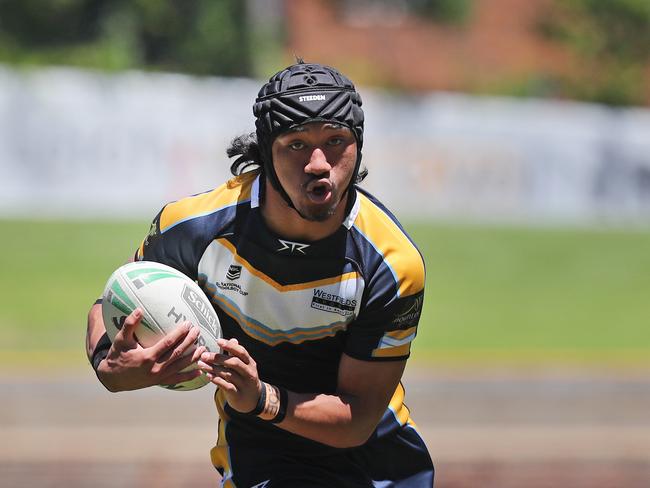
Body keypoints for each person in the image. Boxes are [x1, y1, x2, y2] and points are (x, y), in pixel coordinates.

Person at [86, 61, 434, 487]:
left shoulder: (391, 264)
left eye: (336, 141)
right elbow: (113, 301)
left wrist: (261, 398)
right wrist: (109, 363)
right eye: (296, 145)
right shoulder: (194, 229)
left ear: (358, 146)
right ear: (266, 150)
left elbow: (357, 416)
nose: (318, 163)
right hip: (260, 454)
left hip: (377, 461)